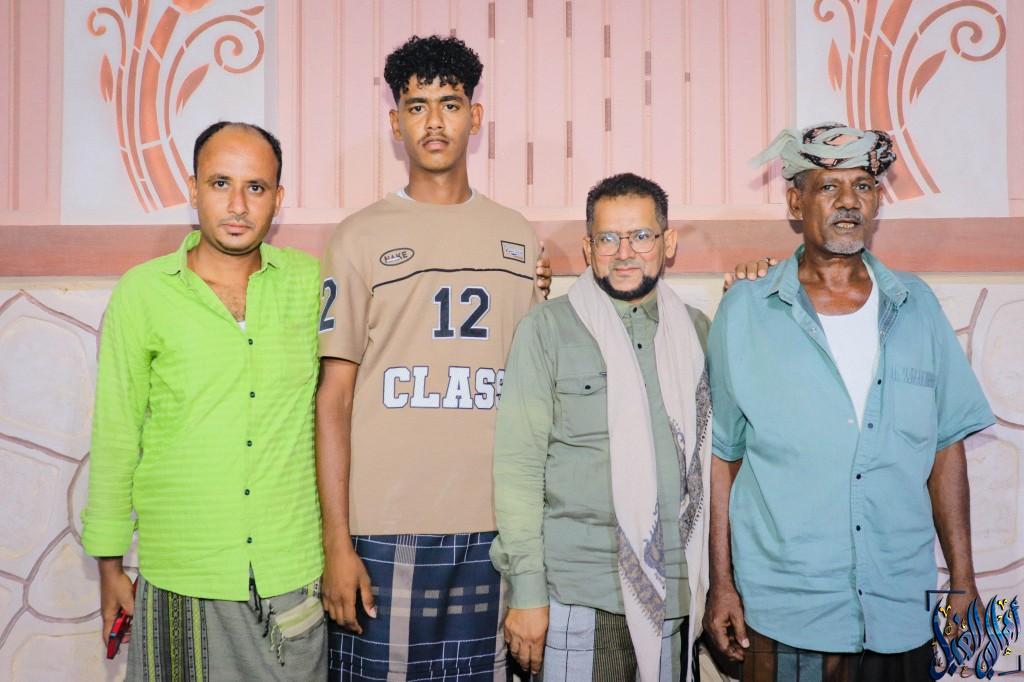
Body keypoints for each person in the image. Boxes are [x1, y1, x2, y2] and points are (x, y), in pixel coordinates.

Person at [704, 123, 995, 681]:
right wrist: (722, 584)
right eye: (828, 187)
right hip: (784, 611)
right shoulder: (745, 312)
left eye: (863, 186)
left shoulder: (917, 308)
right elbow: (724, 458)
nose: (848, 201)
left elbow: (945, 449)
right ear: (796, 203)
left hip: (899, 610)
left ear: (877, 202)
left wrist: (963, 579)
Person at [316, 35, 546, 679]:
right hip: (382, 526)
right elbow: (333, 397)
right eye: (417, 106)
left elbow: (535, 396)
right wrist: (337, 541)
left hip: (495, 527)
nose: (434, 121)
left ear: (476, 117)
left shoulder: (518, 237)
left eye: (450, 103)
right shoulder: (357, 237)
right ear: (396, 123)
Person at [82, 121, 326, 681]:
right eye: (220, 184)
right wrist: (109, 566)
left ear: (278, 198)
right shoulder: (144, 292)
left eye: (255, 187)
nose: (238, 205)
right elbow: (116, 434)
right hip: (180, 575)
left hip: (289, 573)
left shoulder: (311, 284)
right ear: (193, 189)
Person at [491, 173, 712, 681]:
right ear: (588, 248)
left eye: (641, 236)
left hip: (676, 596)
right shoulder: (547, 329)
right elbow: (518, 470)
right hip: (581, 595)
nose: (624, 252)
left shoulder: (697, 332)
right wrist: (527, 593)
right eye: (608, 238)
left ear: (668, 243)